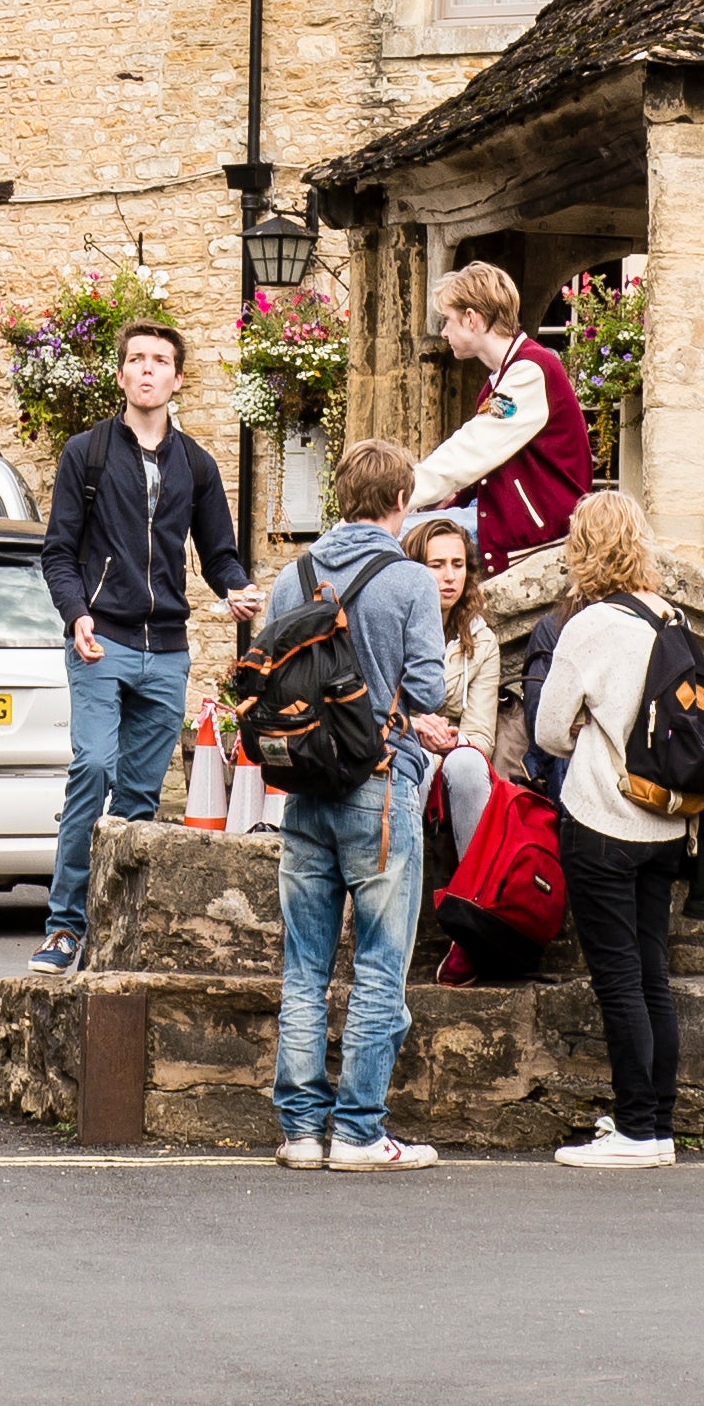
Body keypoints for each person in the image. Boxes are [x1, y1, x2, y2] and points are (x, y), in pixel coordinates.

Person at [260, 438, 454, 1173]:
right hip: (377, 787)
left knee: (304, 965)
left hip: (305, 787)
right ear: (402, 501)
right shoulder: (408, 581)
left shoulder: (292, 578)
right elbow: (429, 691)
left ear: (341, 497)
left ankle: (302, 1132)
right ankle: (361, 1133)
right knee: (378, 965)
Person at [31, 317, 244, 976]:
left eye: (160, 360)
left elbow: (220, 555)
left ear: (177, 379)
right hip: (104, 641)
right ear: (121, 374)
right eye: (137, 359)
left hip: (168, 650)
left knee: (140, 802)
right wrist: (76, 615)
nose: (148, 369)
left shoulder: (197, 465)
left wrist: (239, 590)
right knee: (92, 769)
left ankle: (111, 936)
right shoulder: (86, 454)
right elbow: (58, 553)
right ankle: (64, 927)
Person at [534, 490, 692, 1168]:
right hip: (664, 823)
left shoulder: (591, 626)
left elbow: (547, 731)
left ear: (583, 549)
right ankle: (655, 1124)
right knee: (652, 975)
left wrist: (583, 732)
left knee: (618, 980)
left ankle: (633, 1131)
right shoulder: (671, 617)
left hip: (602, 819)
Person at [407, 261, 599, 566]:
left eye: (447, 320)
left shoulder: (530, 372)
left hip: (529, 528)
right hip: (502, 517)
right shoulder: (506, 377)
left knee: (390, 538)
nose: (443, 333)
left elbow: (472, 449)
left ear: (471, 319)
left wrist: (398, 496)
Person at [409, 514, 504, 872]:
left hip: (454, 751)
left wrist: (450, 740)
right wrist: (418, 726)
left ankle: (474, 891)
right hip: (402, 742)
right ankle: (399, 883)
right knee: (413, 763)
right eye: (437, 565)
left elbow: (481, 735)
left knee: (468, 762)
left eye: (458, 564)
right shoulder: (398, 623)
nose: (450, 576)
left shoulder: (481, 640)